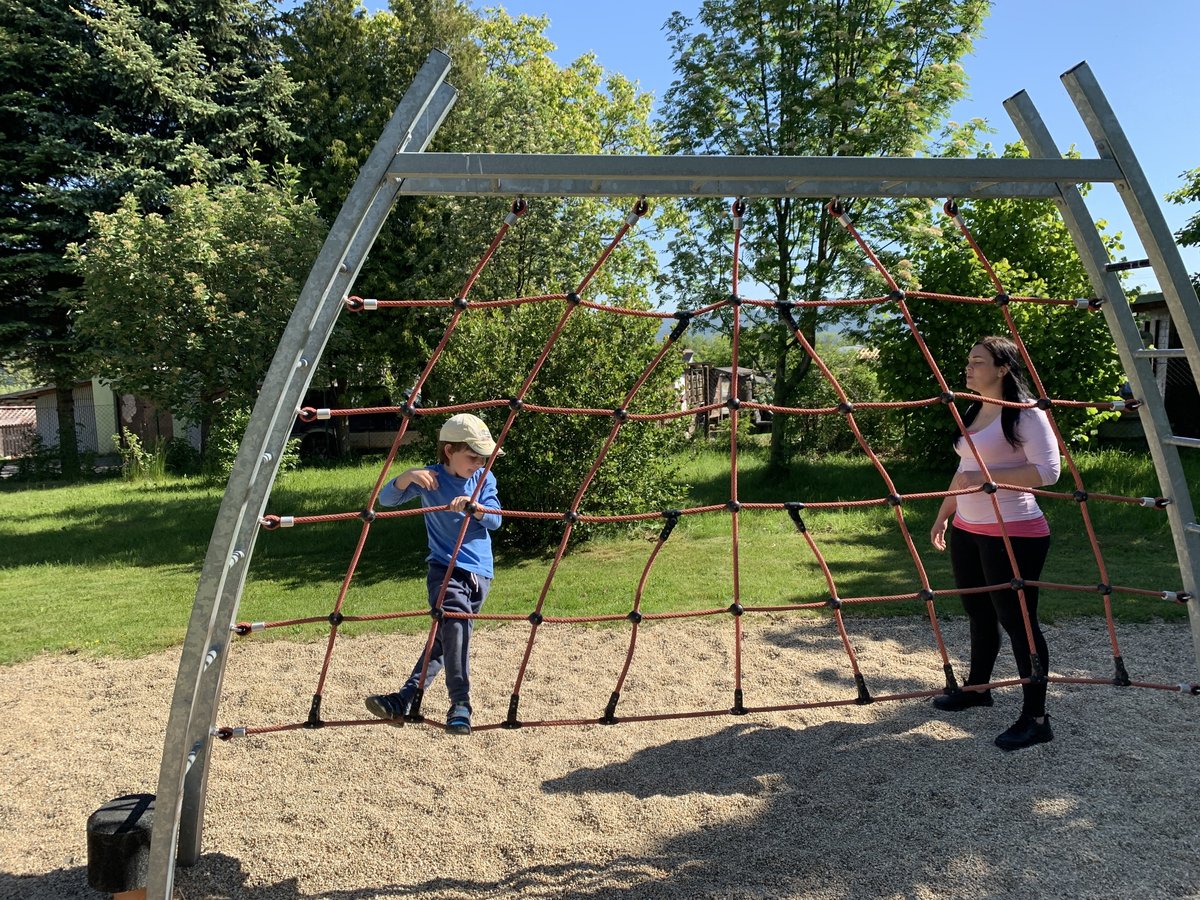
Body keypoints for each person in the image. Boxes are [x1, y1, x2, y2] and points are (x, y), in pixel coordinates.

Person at [930, 336, 1061, 751]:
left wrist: (988, 480)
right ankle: (978, 689)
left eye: (978, 361)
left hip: (1014, 531)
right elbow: (964, 469)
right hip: (968, 528)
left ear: (1003, 369)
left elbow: (1048, 472)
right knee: (977, 611)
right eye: (968, 361)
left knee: (1018, 622)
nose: (968, 368)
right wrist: (944, 513)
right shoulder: (973, 408)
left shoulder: (1026, 413)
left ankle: (1036, 719)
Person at [364, 413, 503, 736]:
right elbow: (386, 500)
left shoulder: (483, 479)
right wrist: (407, 476)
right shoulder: (432, 478)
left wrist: (474, 507)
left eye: (483, 457)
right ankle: (460, 703)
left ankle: (404, 699)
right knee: (454, 627)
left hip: (478, 573)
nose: (479, 463)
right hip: (443, 568)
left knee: (446, 640)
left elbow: (495, 519)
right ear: (449, 451)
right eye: (472, 456)